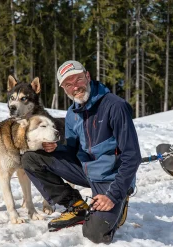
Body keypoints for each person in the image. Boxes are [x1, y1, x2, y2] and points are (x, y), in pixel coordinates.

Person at [21, 60, 141, 243]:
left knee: (95, 234)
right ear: (64, 89)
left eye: (78, 79)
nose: (75, 87)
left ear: (88, 76)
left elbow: (132, 156)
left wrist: (113, 195)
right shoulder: (72, 114)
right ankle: (75, 205)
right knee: (31, 159)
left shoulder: (115, 106)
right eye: (68, 84)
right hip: (86, 171)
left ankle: (120, 200)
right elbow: (72, 150)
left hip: (111, 177)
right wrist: (57, 148)